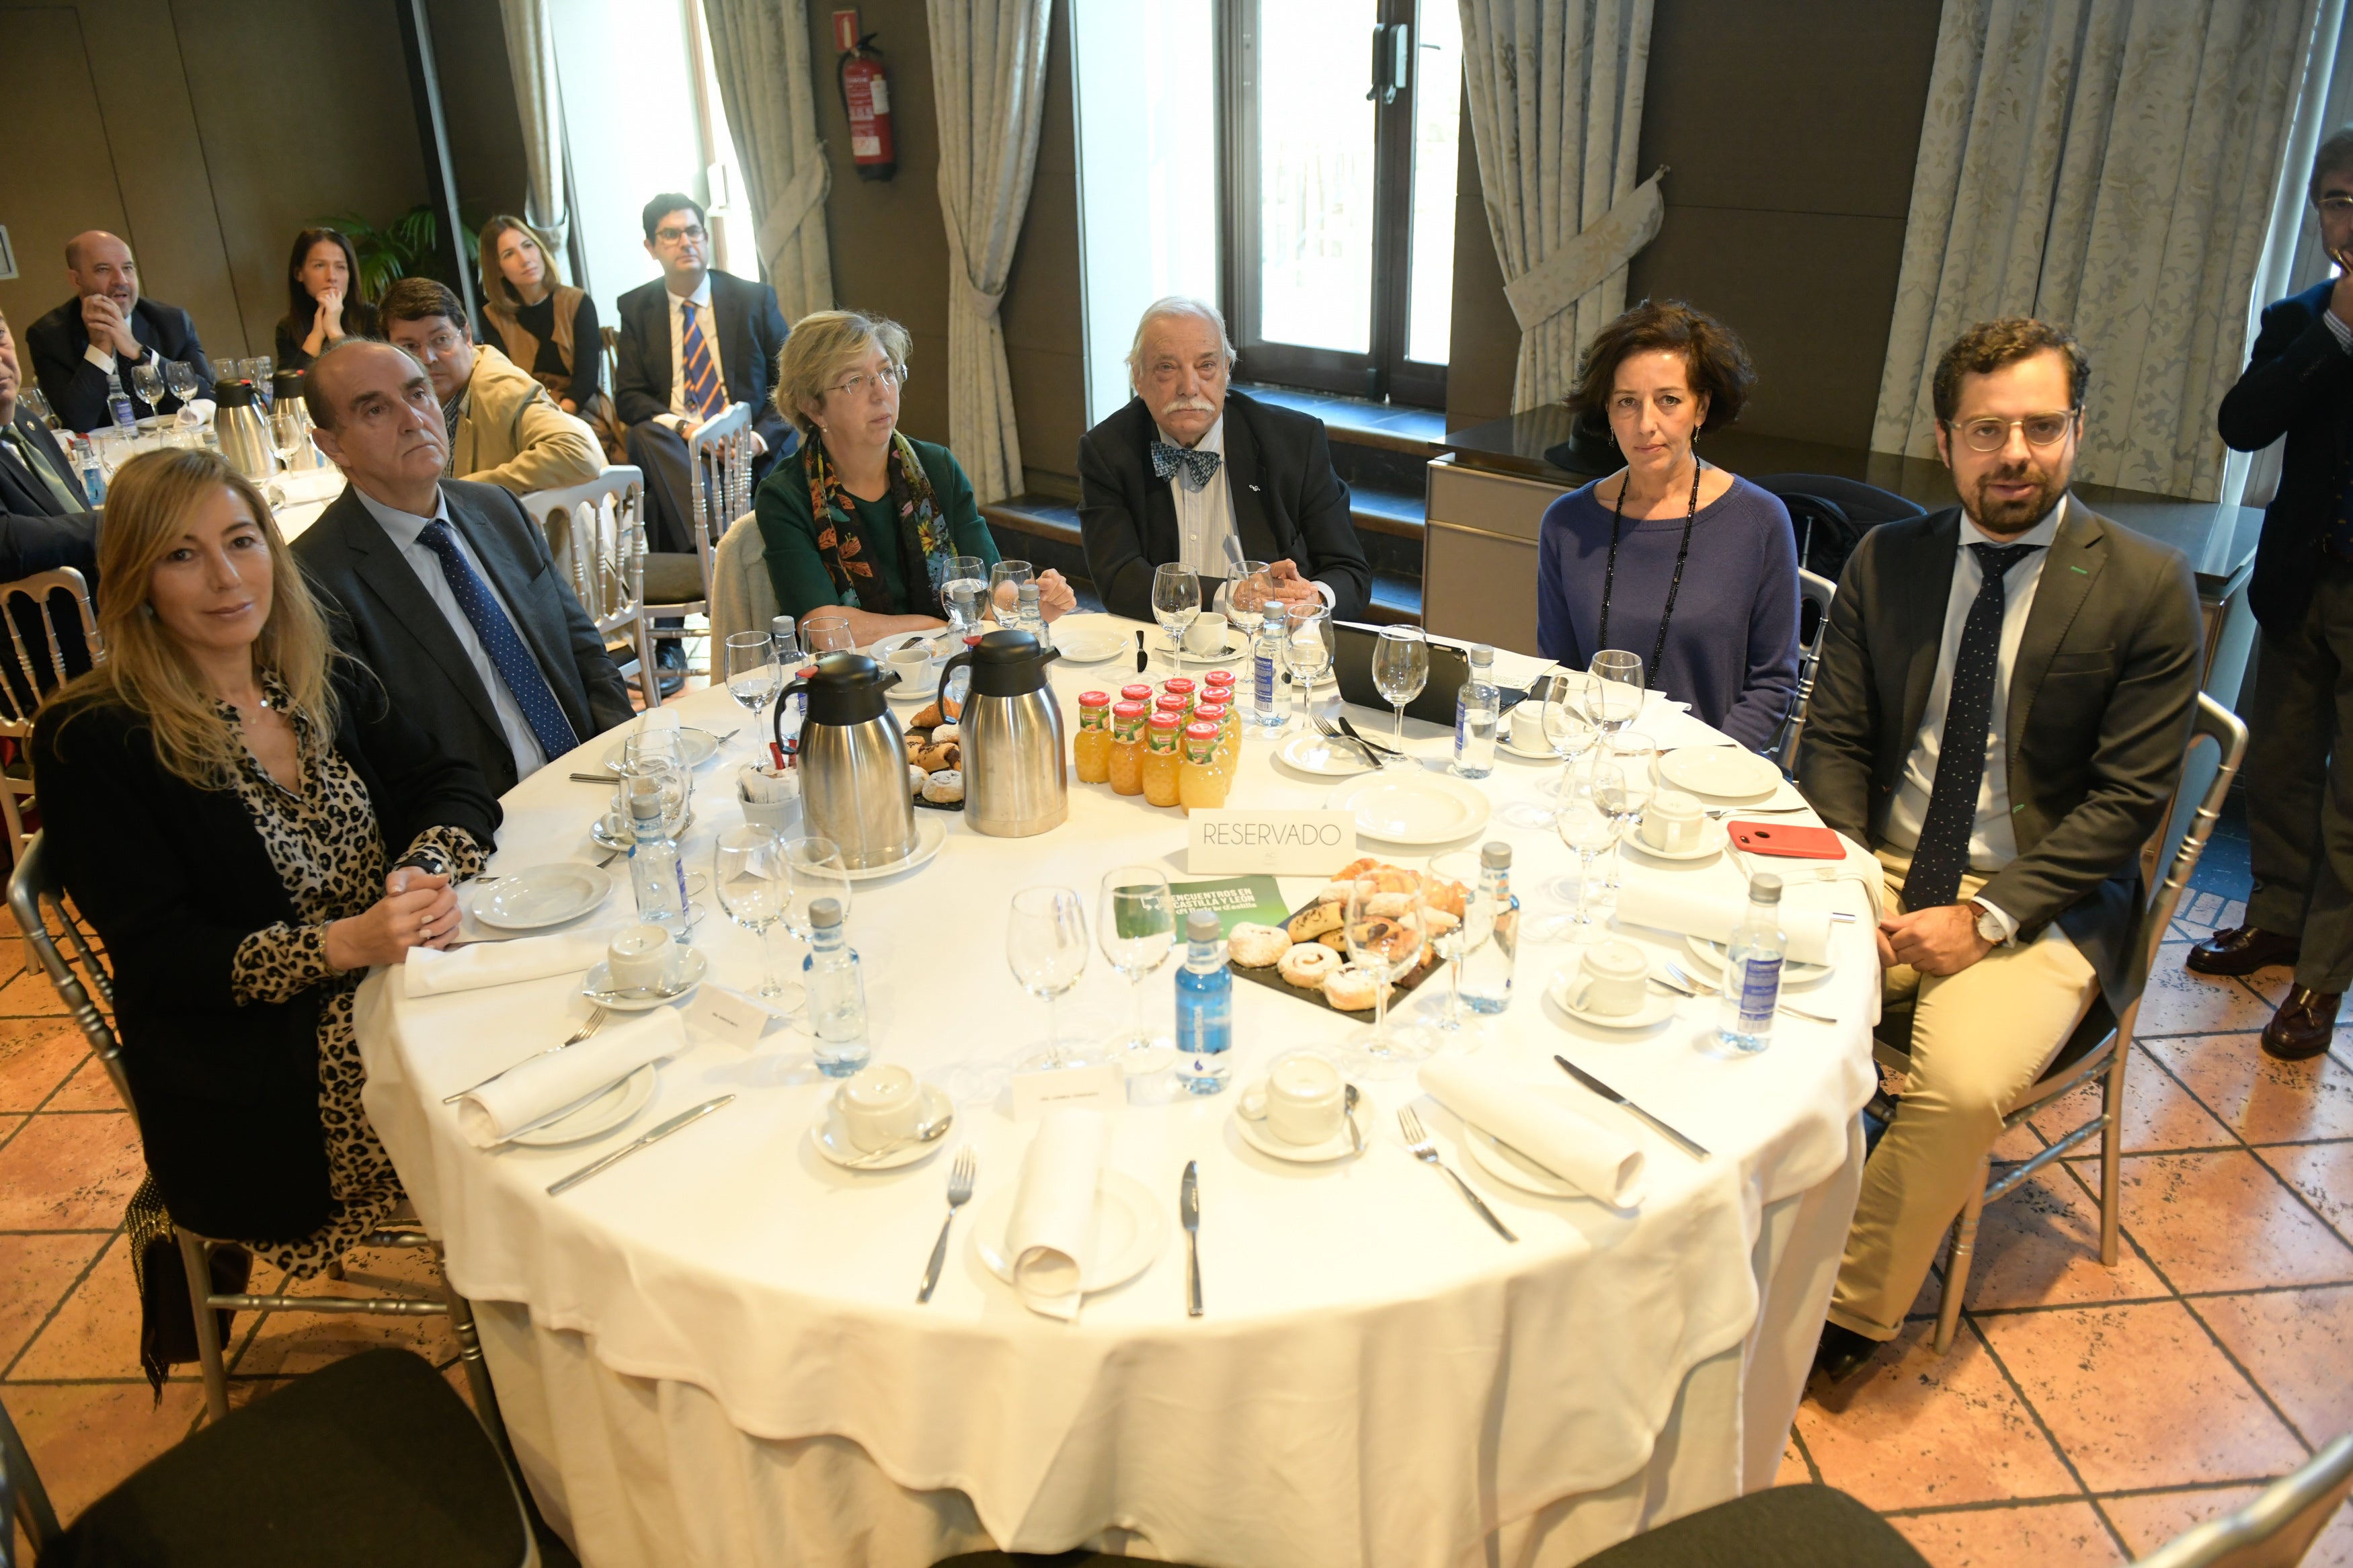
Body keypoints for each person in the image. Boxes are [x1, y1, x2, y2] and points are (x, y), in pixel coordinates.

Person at [1796, 319, 2200, 1384]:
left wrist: (1984, 918)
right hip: (1873, 861)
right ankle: (1730, 1233)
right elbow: (1832, 737)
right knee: (1719, 982)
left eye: (2040, 425)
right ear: (1946, 440)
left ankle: (1840, 1313)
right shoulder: (1888, 561)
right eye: (1988, 428)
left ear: (2078, 432)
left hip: (2042, 898)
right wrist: (1841, 869)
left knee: (1962, 1086)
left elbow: (2125, 803)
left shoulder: (2147, 585)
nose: (2014, 451)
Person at [30, 447, 500, 1268]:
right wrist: (348, 943)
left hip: (397, 980)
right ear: (137, 578)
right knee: (509, 1096)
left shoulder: (310, 674)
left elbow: (452, 778)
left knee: (572, 1006)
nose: (226, 577)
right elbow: (163, 958)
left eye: (241, 541)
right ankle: (540, 1317)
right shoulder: (93, 738)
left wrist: (422, 869)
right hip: (261, 1073)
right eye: (183, 554)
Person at [294, 339, 633, 796]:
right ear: (332, 445)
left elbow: (585, 650)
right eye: (376, 410)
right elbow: (379, 760)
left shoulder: (497, 509)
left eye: (418, 395)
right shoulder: (317, 578)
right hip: (485, 827)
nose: (413, 421)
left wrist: (628, 755)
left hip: (596, 778)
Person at [2190, 128, 2353, 1061]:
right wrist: (2338, 329)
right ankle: (2278, 920)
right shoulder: (2300, 320)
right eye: (2337, 201)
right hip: (2299, 579)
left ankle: (2323, 978)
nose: (2350, 223)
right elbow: (2244, 422)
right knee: (2283, 771)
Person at [1534, 301, 1798, 749]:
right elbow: (1561, 674)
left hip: (1709, 775)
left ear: (1701, 408)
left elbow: (1773, 684)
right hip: (1596, 764)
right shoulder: (1567, 523)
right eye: (1627, 403)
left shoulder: (1761, 521)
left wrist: (1704, 765)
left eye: (1668, 400)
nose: (1646, 424)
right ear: (1608, 412)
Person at [754, 309, 1075, 643]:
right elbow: (823, 628)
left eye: (886, 372)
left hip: (946, 666)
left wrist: (1032, 602)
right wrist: (940, 628)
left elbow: (990, 594)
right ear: (813, 406)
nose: (881, 393)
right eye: (854, 381)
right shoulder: (786, 495)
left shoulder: (937, 466)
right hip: (853, 680)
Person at [1078, 296, 1370, 622]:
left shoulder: (1294, 442)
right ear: (1138, 377)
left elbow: (1350, 572)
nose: (1189, 388)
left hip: (1270, 642)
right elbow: (1118, 580)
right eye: (1167, 368)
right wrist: (1233, 596)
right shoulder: (1108, 450)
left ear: (1226, 370)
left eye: (1206, 366)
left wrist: (1310, 600)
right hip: (1166, 644)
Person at [613, 193, 793, 558]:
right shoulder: (636, 308)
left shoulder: (752, 299)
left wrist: (757, 440)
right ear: (651, 247)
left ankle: (712, 552)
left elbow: (793, 382)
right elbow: (629, 397)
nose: (686, 241)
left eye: (694, 231)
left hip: (745, 446)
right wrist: (689, 431)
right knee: (644, 433)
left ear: (706, 238)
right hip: (680, 448)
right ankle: (718, 544)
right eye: (671, 234)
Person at [376, 277, 602, 497]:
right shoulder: (404, 399)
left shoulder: (500, 386)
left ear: (466, 335)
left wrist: (467, 491)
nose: (427, 358)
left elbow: (578, 455)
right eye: (410, 346)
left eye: (440, 339)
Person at [0, 306, 103, 708]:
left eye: (1, 337)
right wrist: (125, 523)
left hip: (98, 623)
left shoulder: (24, 422)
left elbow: (73, 514)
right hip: (47, 663)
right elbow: (7, 542)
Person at [25, 231, 216, 432]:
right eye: (103, 270)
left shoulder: (172, 322)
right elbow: (77, 424)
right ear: (76, 280)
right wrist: (99, 349)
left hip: (176, 442)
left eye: (128, 268)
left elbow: (210, 397)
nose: (121, 280)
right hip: (105, 453)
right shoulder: (48, 336)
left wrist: (138, 352)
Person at [476, 215, 604, 420]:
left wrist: (560, 418)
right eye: (509, 254)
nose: (525, 259)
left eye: (528, 245)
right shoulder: (493, 317)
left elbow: (587, 378)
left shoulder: (577, 302)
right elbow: (506, 385)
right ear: (498, 268)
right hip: (527, 417)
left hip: (580, 412)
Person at [273, 227, 379, 371]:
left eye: (340, 267)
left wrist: (334, 330)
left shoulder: (372, 316)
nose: (331, 277)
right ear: (299, 273)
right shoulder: (288, 327)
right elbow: (290, 389)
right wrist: (316, 335)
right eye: (320, 266)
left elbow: (373, 376)